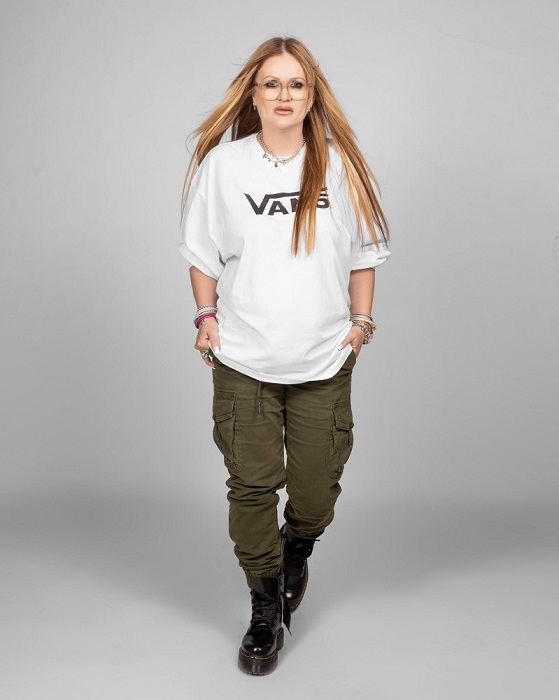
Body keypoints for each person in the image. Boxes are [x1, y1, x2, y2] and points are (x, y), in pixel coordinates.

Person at [178, 36, 390, 675]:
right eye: (271, 83)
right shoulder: (225, 167)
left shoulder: (340, 167)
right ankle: (264, 603)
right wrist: (206, 318)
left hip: (323, 355)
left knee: (317, 488)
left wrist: (361, 323)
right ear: (253, 93)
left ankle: (297, 550)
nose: (283, 95)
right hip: (244, 356)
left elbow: (363, 254)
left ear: (311, 95)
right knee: (250, 485)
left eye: (296, 84)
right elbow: (201, 253)